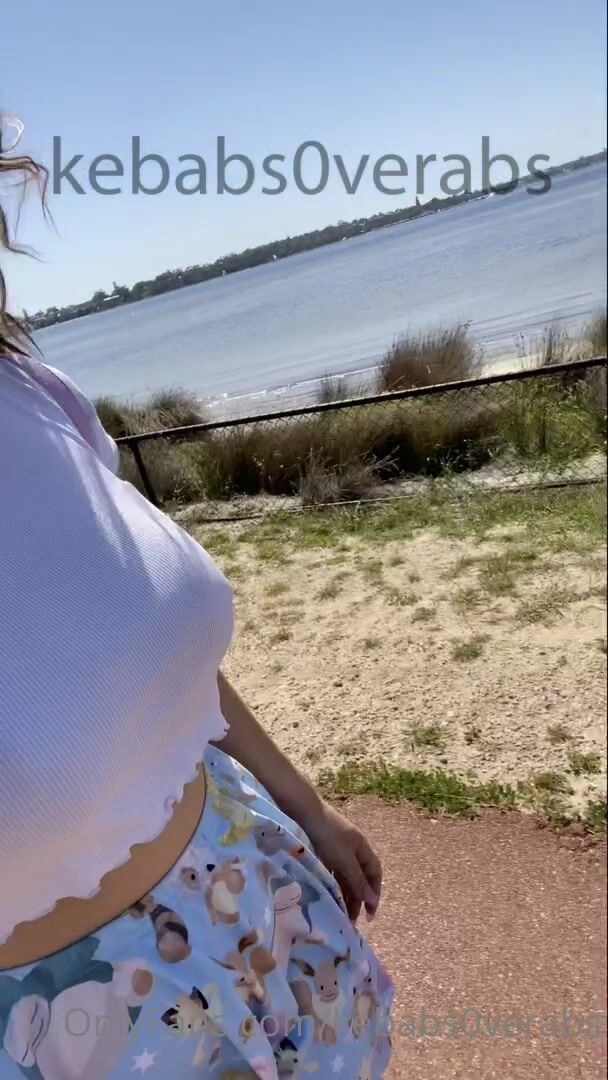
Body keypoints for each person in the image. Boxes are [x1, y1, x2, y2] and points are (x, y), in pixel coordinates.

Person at [0, 119, 393, 1078]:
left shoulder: (37, 396)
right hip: (84, 1033)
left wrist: (306, 805)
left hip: (250, 880)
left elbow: (162, 660)